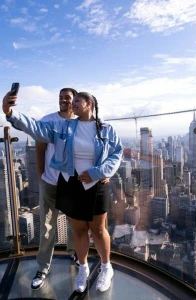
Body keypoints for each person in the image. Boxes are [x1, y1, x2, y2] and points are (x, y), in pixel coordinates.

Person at [2, 91, 123, 293]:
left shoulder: (106, 128)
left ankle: (105, 268)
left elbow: (116, 153)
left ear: (89, 103)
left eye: (77, 101)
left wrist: (98, 172)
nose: (72, 104)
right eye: (72, 101)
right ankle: (83, 270)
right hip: (70, 183)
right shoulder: (65, 127)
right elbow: (37, 129)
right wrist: (11, 112)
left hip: (96, 184)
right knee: (79, 231)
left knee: (99, 230)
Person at [32, 87, 79, 291]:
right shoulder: (47, 120)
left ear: (74, 100)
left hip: (72, 183)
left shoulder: (81, 122)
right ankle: (43, 268)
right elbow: (40, 149)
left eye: (67, 98)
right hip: (50, 182)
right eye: (60, 98)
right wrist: (42, 176)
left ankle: (74, 253)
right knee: (47, 227)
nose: (63, 101)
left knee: (74, 223)